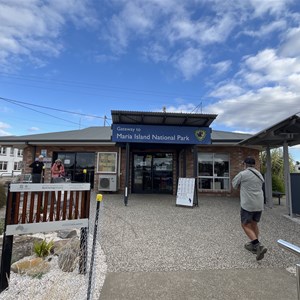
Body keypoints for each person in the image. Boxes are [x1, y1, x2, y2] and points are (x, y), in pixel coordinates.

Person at [232, 157, 267, 261]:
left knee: (245, 225)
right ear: (254, 165)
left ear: (244, 164)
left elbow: (234, 185)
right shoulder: (259, 174)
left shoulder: (243, 174)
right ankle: (255, 246)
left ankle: (258, 245)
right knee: (254, 224)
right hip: (259, 204)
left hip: (248, 204)